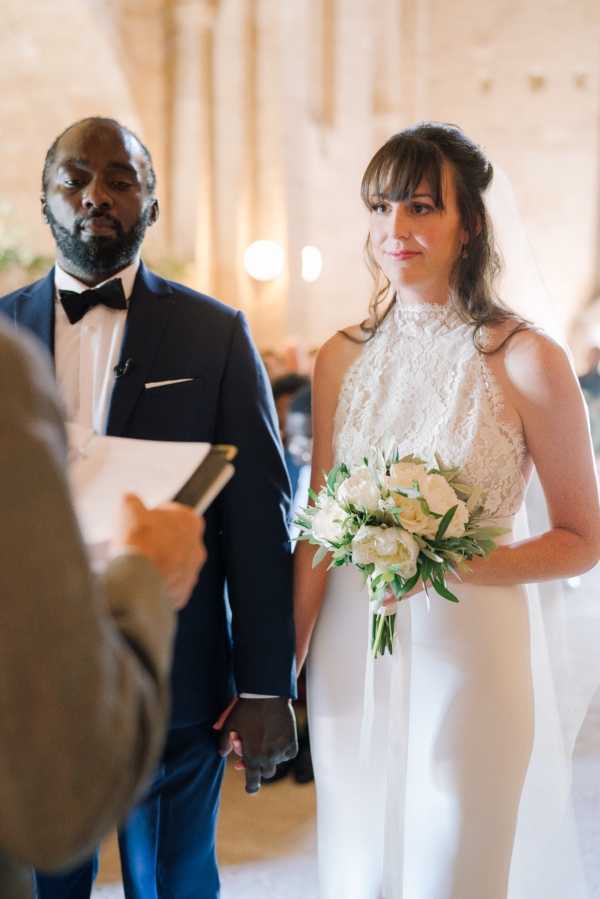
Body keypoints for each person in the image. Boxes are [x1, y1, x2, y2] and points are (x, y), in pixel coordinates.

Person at [293, 123, 600, 899]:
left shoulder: (525, 358)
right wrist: (278, 668)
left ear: (470, 225)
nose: (395, 229)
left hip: (472, 646)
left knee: (452, 866)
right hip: (348, 649)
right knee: (359, 864)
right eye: (381, 207)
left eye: (422, 207)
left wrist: (450, 559)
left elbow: (581, 538)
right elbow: (318, 526)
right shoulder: (340, 357)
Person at [0, 116, 297, 899]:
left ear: (151, 206)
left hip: (178, 665)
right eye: (74, 178)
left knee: (171, 880)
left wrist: (267, 683)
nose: (96, 193)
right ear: (45, 201)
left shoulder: (216, 333)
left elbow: (261, 517)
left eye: (121, 179)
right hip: (23, 675)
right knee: (36, 880)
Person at [0, 319, 206, 899]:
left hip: (191, 686)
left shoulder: (215, 330)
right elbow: (64, 791)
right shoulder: (5, 368)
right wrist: (143, 575)